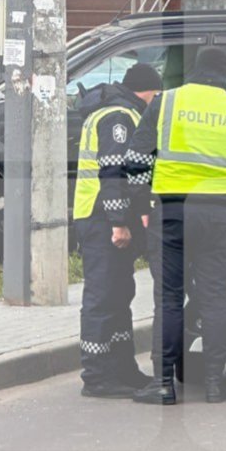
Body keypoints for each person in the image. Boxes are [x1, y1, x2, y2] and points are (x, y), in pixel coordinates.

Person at [125, 45, 226, 406]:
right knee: (213, 295)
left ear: (195, 71)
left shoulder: (167, 102)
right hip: (218, 217)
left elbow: (137, 160)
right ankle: (215, 382)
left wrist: (141, 205)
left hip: (171, 213)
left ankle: (163, 384)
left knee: (169, 299)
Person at [74, 61, 163, 399]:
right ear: (147, 91)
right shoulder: (118, 118)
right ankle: (96, 376)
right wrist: (119, 224)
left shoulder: (123, 113)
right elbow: (113, 176)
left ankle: (123, 367)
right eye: (156, 94)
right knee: (101, 296)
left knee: (120, 294)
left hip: (103, 217)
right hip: (101, 218)